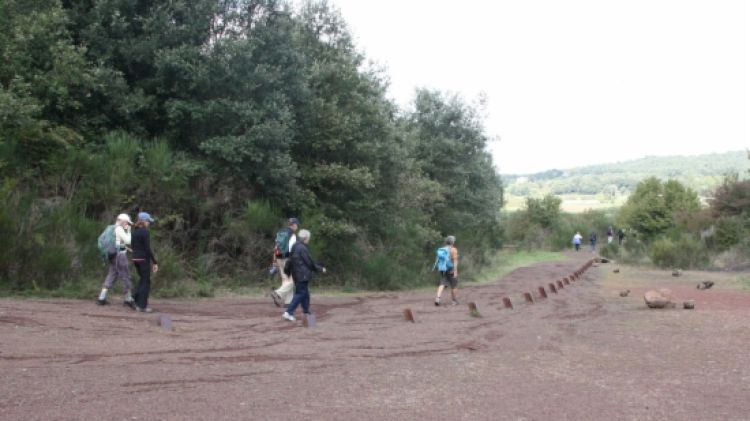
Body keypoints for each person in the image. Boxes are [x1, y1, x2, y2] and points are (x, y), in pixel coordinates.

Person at [282, 229, 326, 321]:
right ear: (305, 238)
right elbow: (309, 263)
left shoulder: (295, 246)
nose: (309, 240)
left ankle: (306, 311)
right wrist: (320, 269)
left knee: (305, 293)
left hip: (297, 274)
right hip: (303, 275)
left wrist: (287, 272)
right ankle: (288, 312)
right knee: (300, 293)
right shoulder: (302, 248)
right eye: (308, 238)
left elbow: (289, 260)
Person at [97, 213, 135, 307]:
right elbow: (126, 241)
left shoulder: (109, 228)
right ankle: (128, 298)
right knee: (125, 275)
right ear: (122, 221)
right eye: (127, 223)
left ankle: (102, 297)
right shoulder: (120, 229)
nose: (128, 225)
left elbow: (101, 240)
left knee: (112, 274)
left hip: (111, 255)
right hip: (120, 256)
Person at [131, 212, 158, 313]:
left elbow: (133, 245)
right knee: (146, 282)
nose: (149, 223)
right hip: (143, 259)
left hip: (135, 259)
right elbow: (147, 248)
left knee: (143, 280)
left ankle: (134, 299)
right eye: (148, 221)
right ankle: (142, 306)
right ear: (144, 221)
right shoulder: (145, 232)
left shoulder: (135, 231)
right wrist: (154, 262)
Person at [270, 218, 299, 307]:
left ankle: (288, 302)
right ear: (293, 225)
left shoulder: (280, 232)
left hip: (279, 258)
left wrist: (274, 260)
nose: (297, 226)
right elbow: (292, 250)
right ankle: (278, 293)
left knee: (285, 279)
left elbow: (276, 247)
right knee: (292, 280)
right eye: (297, 225)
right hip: (288, 258)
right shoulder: (292, 235)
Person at [434, 235, 459, 306]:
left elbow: (437, 260)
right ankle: (454, 301)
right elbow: (455, 261)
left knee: (442, 283)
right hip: (451, 269)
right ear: (453, 242)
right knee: (454, 285)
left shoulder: (441, 250)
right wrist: (455, 272)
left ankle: (438, 298)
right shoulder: (453, 250)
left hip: (443, 269)